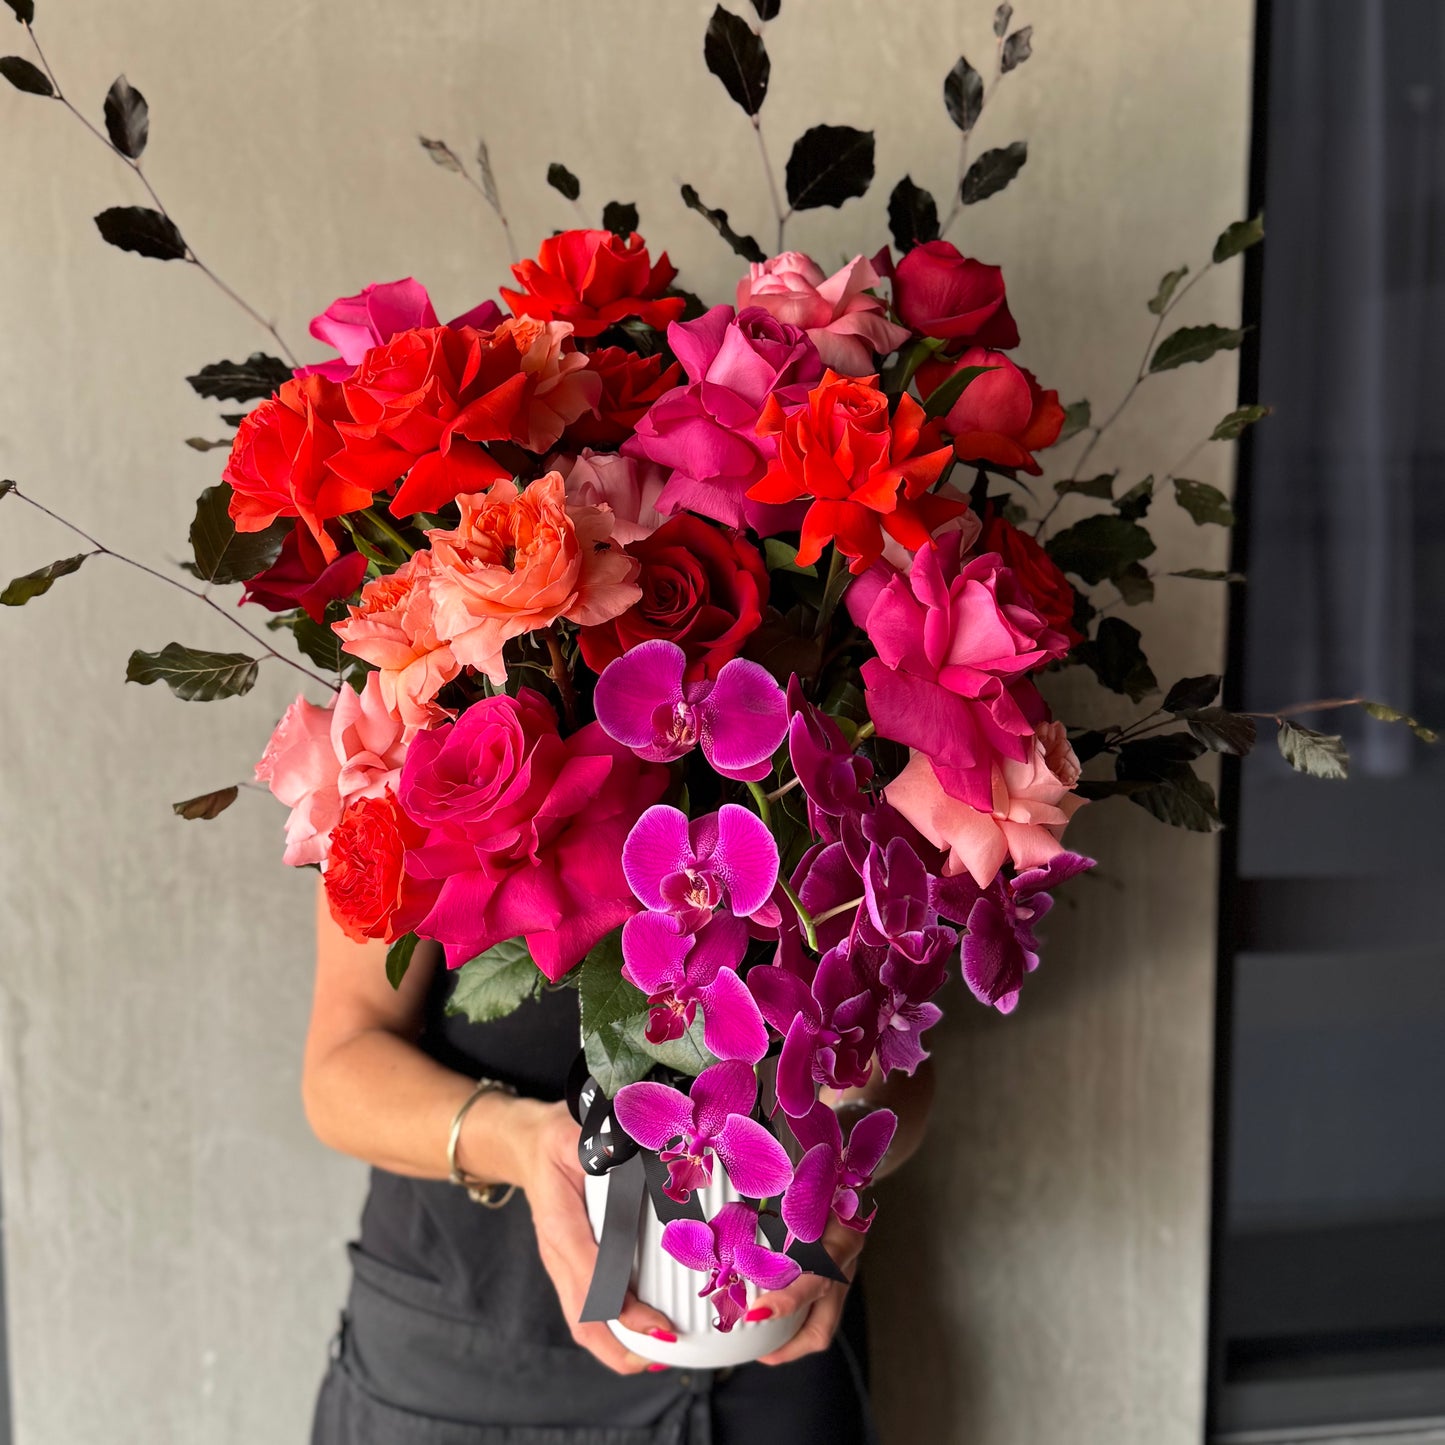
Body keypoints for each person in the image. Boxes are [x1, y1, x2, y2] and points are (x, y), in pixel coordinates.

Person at [303, 880, 934, 1443]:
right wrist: (520, 1143)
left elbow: (900, 1058)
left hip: (773, 1369)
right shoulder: (397, 753)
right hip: (469, 1374)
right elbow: (337, 1071)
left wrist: (839, 1151)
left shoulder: (839, 775)